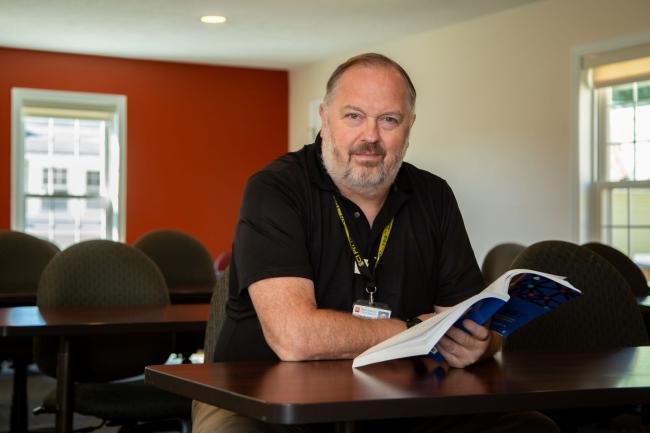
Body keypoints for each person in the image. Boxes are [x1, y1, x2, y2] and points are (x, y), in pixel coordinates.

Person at [193, 53, 558, 433]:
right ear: (324, 117)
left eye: (389, 120)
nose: (370, 137)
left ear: (409, 126)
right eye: (354, 116)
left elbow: (471, 321)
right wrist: (418, 330)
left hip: (398, 396)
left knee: (529, 427)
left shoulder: (434, 196)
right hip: (259, 400)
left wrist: (482, 344)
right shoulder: (275, 189)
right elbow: (294, 338)